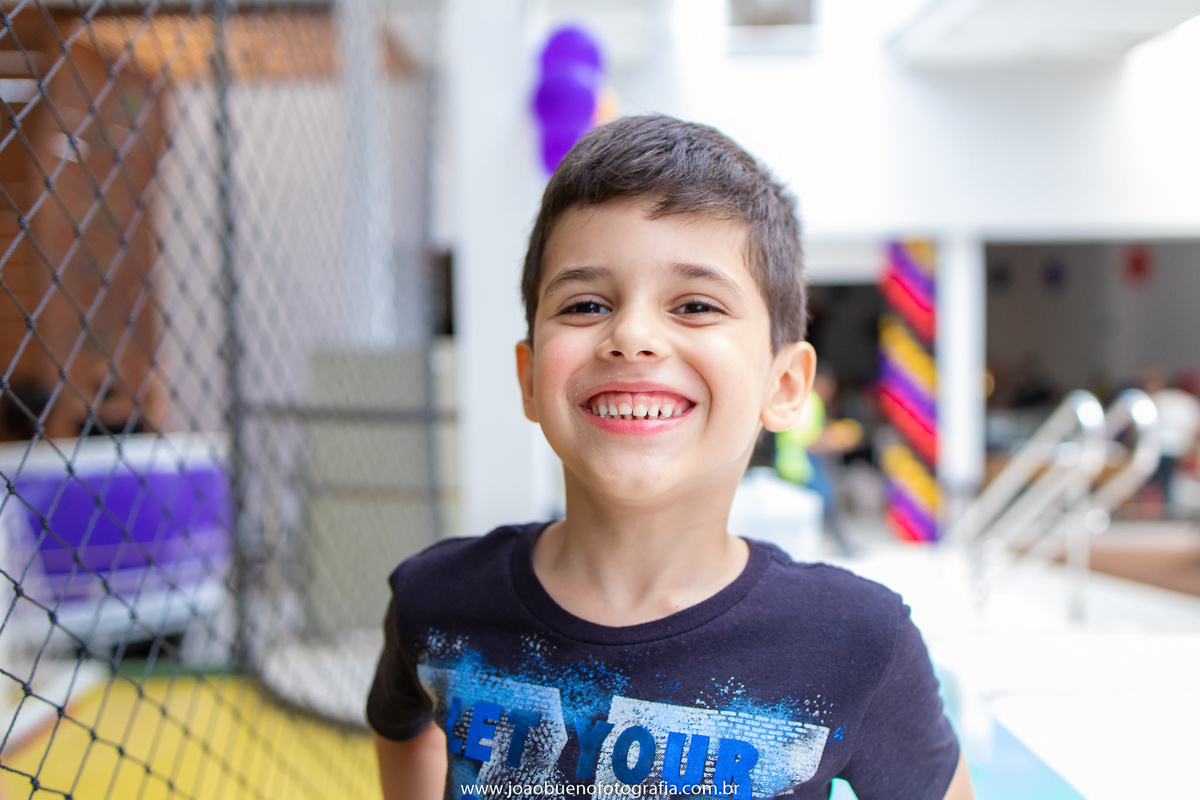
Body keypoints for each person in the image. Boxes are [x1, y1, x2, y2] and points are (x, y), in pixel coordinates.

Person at [367, 115, 973, 799]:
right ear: (530, 378)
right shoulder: (437, 601)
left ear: (784, 386)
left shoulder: (858, 644)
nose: (631, 335)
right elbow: (401, 724)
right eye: (588, 303)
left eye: (694, 305)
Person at [775, 368, 859, 555]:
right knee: (825, 500)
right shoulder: (809, 402)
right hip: (801, 463)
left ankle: (838, 543)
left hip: (799, 461)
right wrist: (833, 440)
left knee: (820, 502)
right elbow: (805, 438)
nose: (831, 391)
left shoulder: (809, 401)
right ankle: (839, 545)